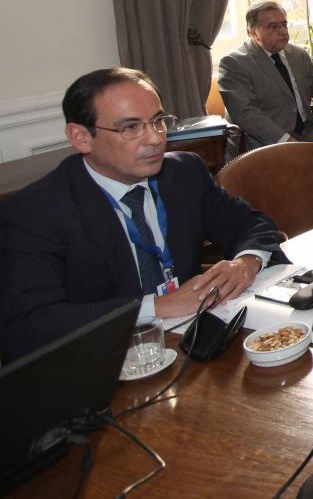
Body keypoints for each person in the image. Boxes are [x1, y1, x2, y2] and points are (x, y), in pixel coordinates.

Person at [0, 68, 283, 360]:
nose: (155, 139)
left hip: (193, 346)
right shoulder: (33, 213)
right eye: (131, 127)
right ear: (81, 137)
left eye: (158, 121)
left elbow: (252, 224)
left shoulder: (183, 173)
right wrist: (156, 307)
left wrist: (246, 263)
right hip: (105, 360)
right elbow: (27, 325)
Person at [216, 1, 313, 182]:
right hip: (264, 139)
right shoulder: (234, 63)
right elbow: (245, 113)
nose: (283, 31)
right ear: (253, 33)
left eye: (284, 24)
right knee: (295, 167)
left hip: (306, 130)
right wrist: (284, 139)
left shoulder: (298, 54)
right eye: (273, 27)